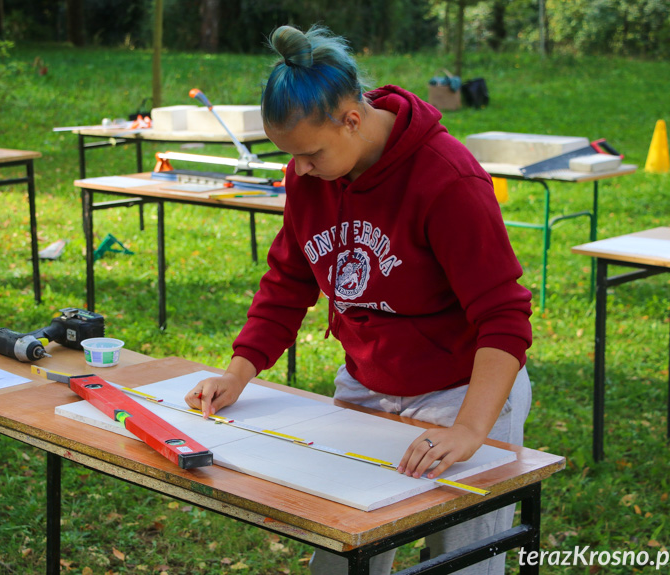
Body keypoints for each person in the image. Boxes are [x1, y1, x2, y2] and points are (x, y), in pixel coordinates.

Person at [185, 24, 532, 575]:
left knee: (461, 560)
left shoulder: (447, 179)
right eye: (290, 156)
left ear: (352, 118)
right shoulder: (311, 176)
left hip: (461, 392)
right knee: (344, 555)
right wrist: (238, 371)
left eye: (310, 154)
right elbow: (287, 280)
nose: (298, 170)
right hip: (367, 386)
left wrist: (468, 429)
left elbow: (504, 316)